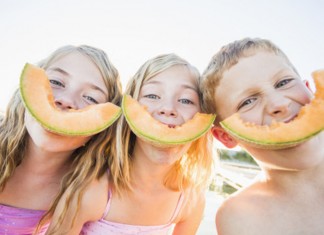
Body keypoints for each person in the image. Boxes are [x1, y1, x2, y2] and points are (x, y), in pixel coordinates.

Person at [47, 53, 214, 235]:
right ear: (129, 108)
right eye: (152, 95)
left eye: (186, 100)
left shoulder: (191, 200)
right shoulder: (92, 191)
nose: (168, 109)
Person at [201, 37, 324, 235]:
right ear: (226, 137)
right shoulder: (240, 217)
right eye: (248, 102)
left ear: (309, 89)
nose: (279, 104)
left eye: (284, 82)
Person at [0, 45, 122, 234]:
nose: (65, 101)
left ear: (103, 128)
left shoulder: (95, 192)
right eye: (55, 82)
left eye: (90, 98)